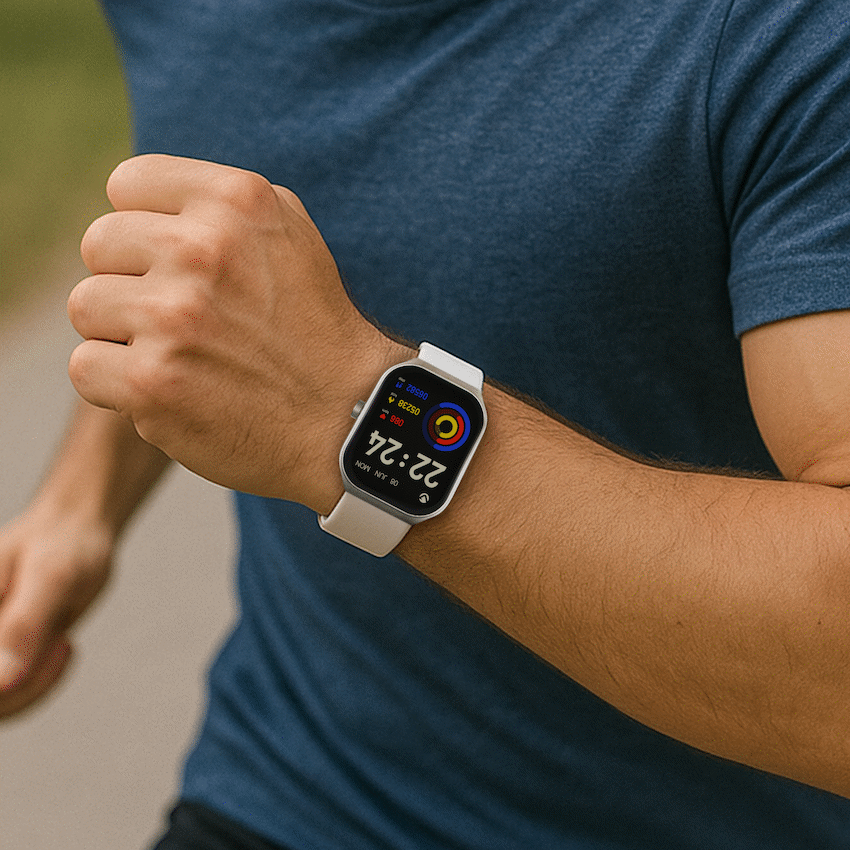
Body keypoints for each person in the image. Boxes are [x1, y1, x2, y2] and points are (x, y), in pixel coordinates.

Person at [3, 0, 850, 846]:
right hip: (285, 797)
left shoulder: (797, 35)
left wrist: (352, 412)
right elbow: (210, 256)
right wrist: (78, 508)